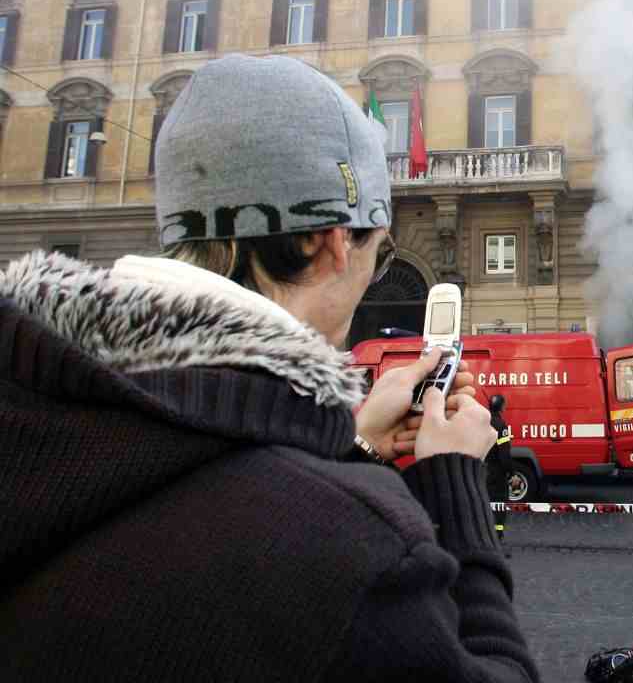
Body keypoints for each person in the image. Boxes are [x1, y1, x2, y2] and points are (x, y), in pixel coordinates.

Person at [0, 55, 538, 682]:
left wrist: (355, 442)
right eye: (380, 249)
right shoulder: (355, 552)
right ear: (331, 239)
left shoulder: (32, 388)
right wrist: (455, 481)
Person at [486, 394, 515, 556]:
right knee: (499, 508)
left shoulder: (483, 423)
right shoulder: (501, 426)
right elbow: (504, 455)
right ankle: (496, 541)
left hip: (482, 471)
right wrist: (511, 472)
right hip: (496, 475)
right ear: (502, 407)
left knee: (485, 505)